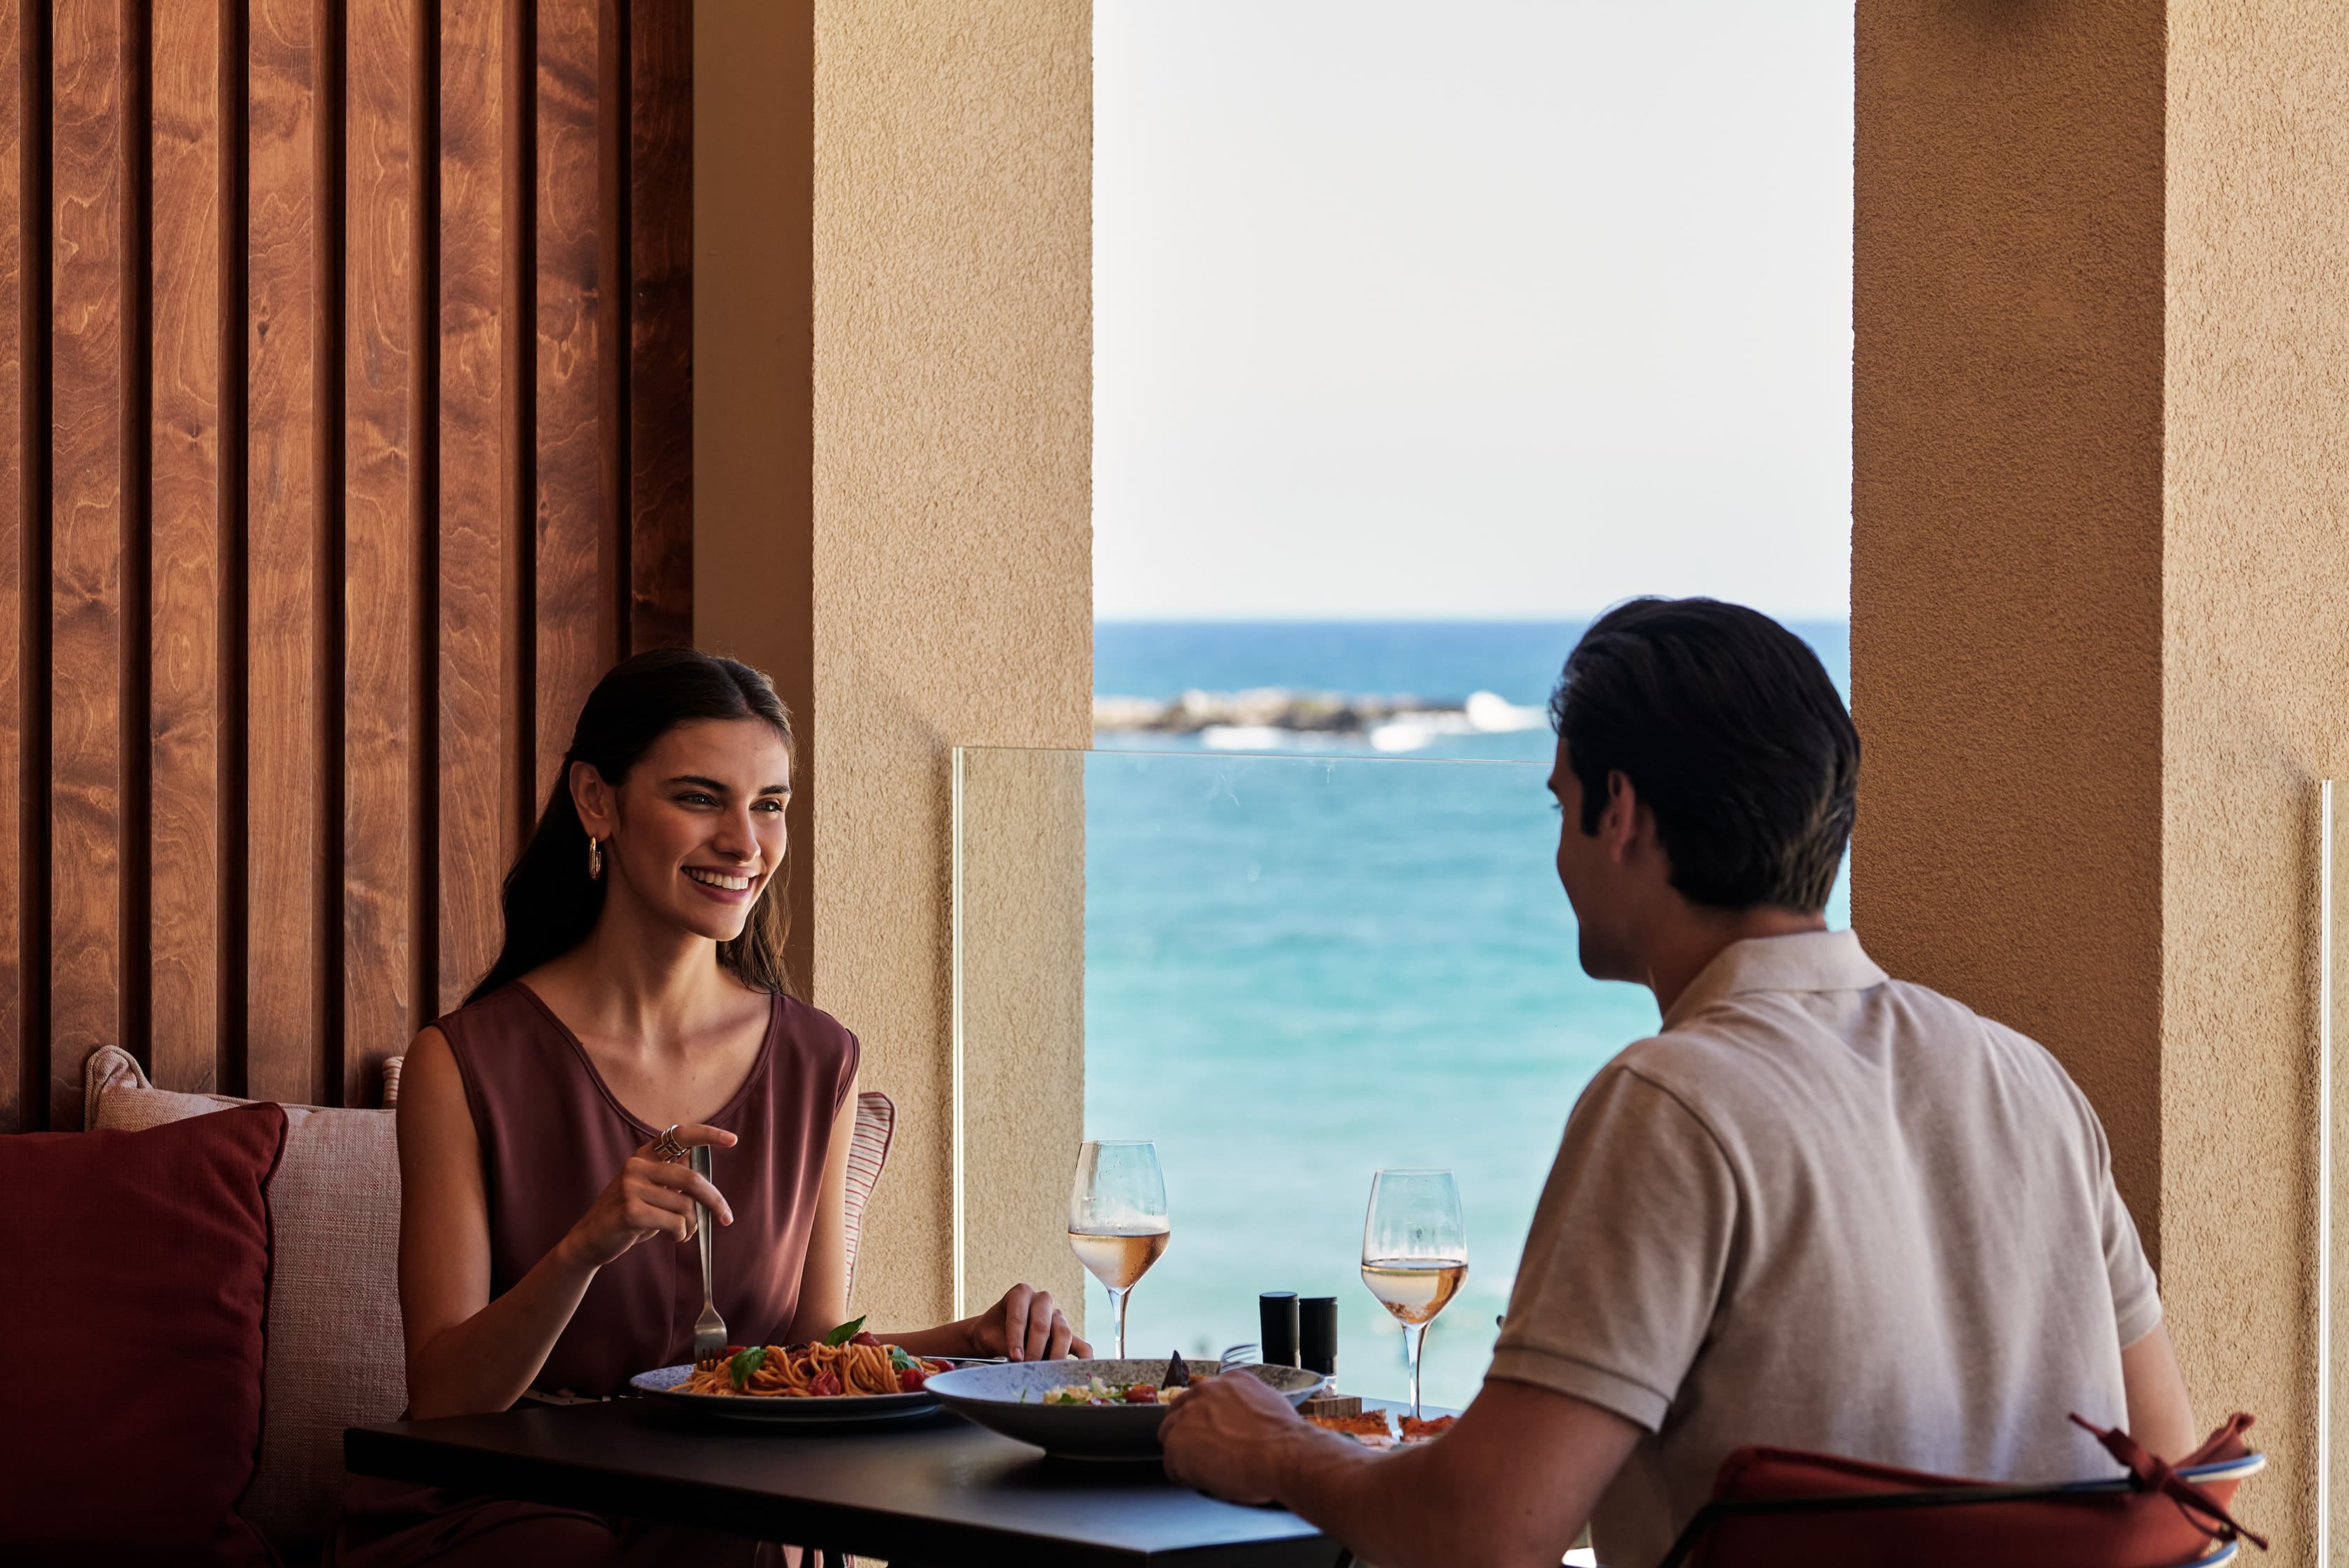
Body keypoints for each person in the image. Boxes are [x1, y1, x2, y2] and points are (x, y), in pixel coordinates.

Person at [1160, 598, 2195, 1568]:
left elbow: (1486, 1531)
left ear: (1621, 813)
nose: (1558, 854)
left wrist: (1279, 1451)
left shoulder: (1675, 1102)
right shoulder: (2031, 1084)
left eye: (1561, 806)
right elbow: (2173, 1479)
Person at [331, 649, 1085, 1567]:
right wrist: (585, 1246)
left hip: (712, 1499)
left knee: (727, 1540)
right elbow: (445, 1398)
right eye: (700, 797)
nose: (745, 841)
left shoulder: (819, 1059)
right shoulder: (462, 1062)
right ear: (596, 801)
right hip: (506, 1503)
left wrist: (965, 1343)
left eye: (769, 804)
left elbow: (804, 1354)